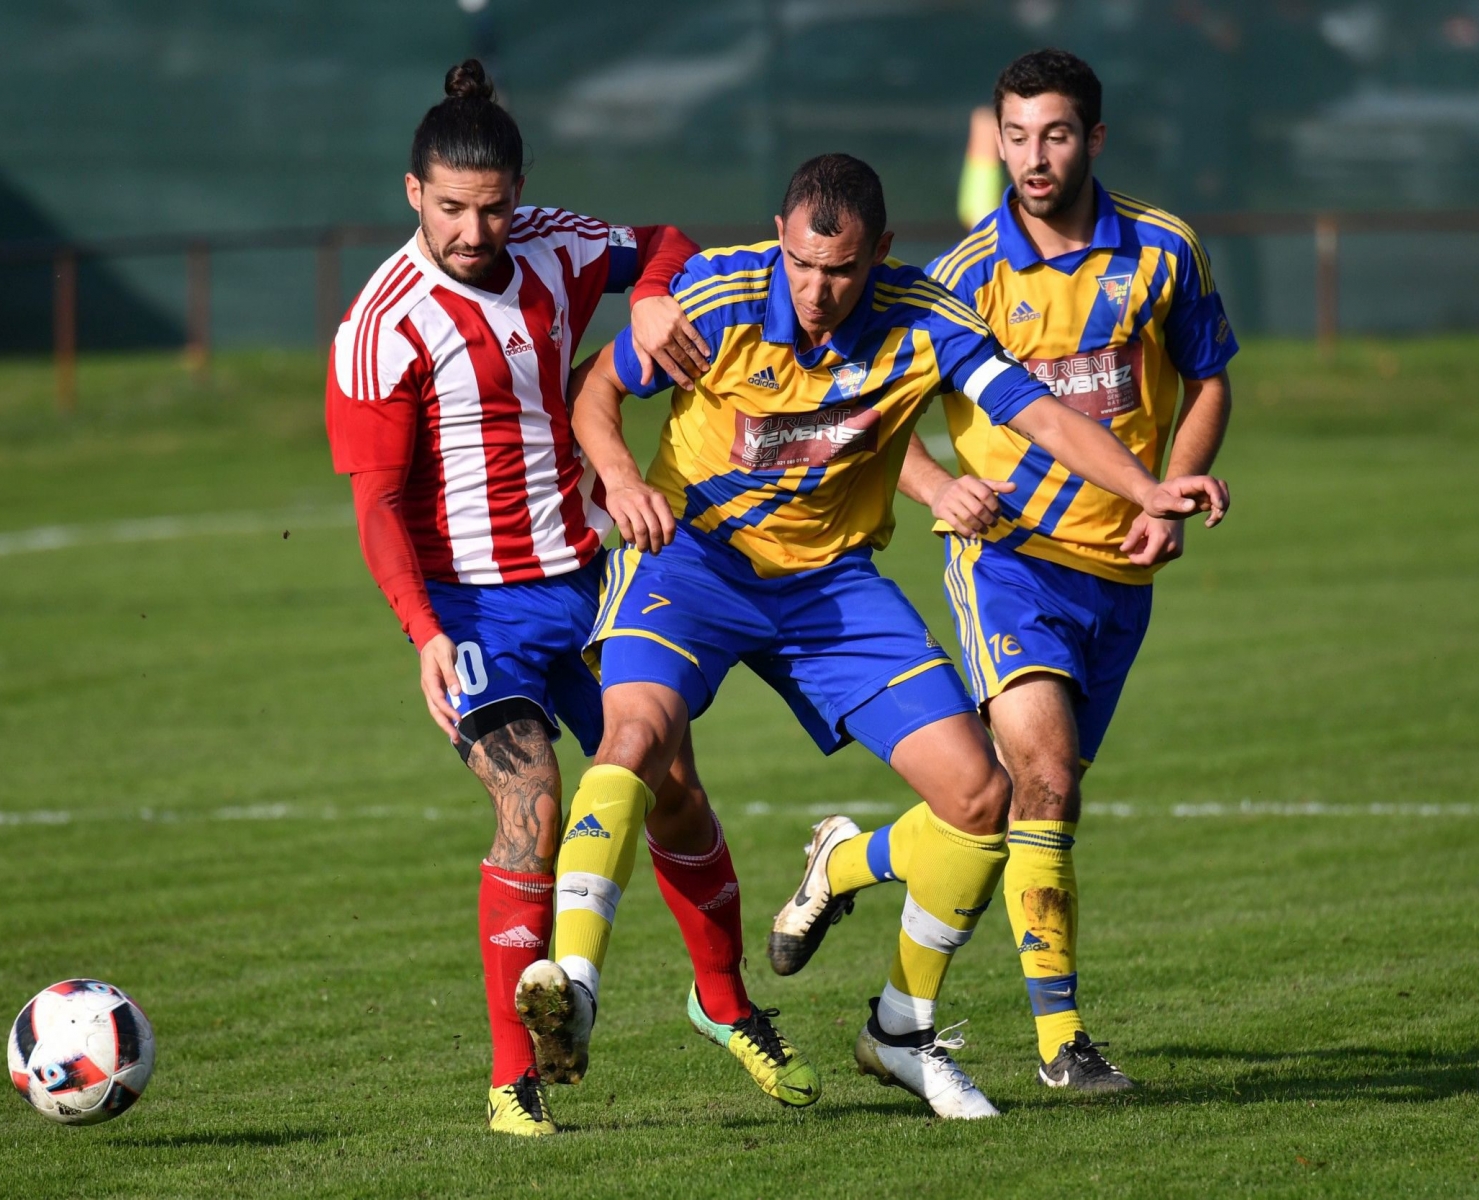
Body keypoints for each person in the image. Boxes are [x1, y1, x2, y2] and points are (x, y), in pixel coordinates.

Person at [516, 153, 1227, 1120]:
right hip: (695, 562)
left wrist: (1145, 487)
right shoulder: (714, 300)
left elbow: (1040, 414)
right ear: (780, 237)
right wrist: (624, 482)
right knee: (633, 738)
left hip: (831, 589)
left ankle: (898, 1028)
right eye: (803, 265)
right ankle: (576, 986)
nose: (817, 290)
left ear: (879, 254)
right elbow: (597, 395)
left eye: (841, 271)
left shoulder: (925, 317)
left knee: (982, 797)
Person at [769, 49, 1237, 1096]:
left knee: (1009, 805)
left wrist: (1178, 482)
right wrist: (939, 493)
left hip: (1119, 565)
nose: (1035, 156)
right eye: (1016, 135)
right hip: (1007, 563)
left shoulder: (1164, 251)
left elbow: (1210, 377)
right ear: (998, 137)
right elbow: (871, 421)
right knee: (1045, 779)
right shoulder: (966, 277)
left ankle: (844, 862)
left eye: (1057, 134)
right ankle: (1061, 1042)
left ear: (1095, 139)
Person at [323, 59, 729, 1137]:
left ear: (517, 191)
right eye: (451, 208)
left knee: (674, 783)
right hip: (473, 615)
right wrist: (422, 638)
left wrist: (648, 304)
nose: (473, 229)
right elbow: (375, 509)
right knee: (533, 809)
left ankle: (728, 1007)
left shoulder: (553, 241)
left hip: (590, 583)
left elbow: (666, 243)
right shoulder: (382, 327)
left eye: (491, 206)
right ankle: (516, 1082)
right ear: (414, 192)